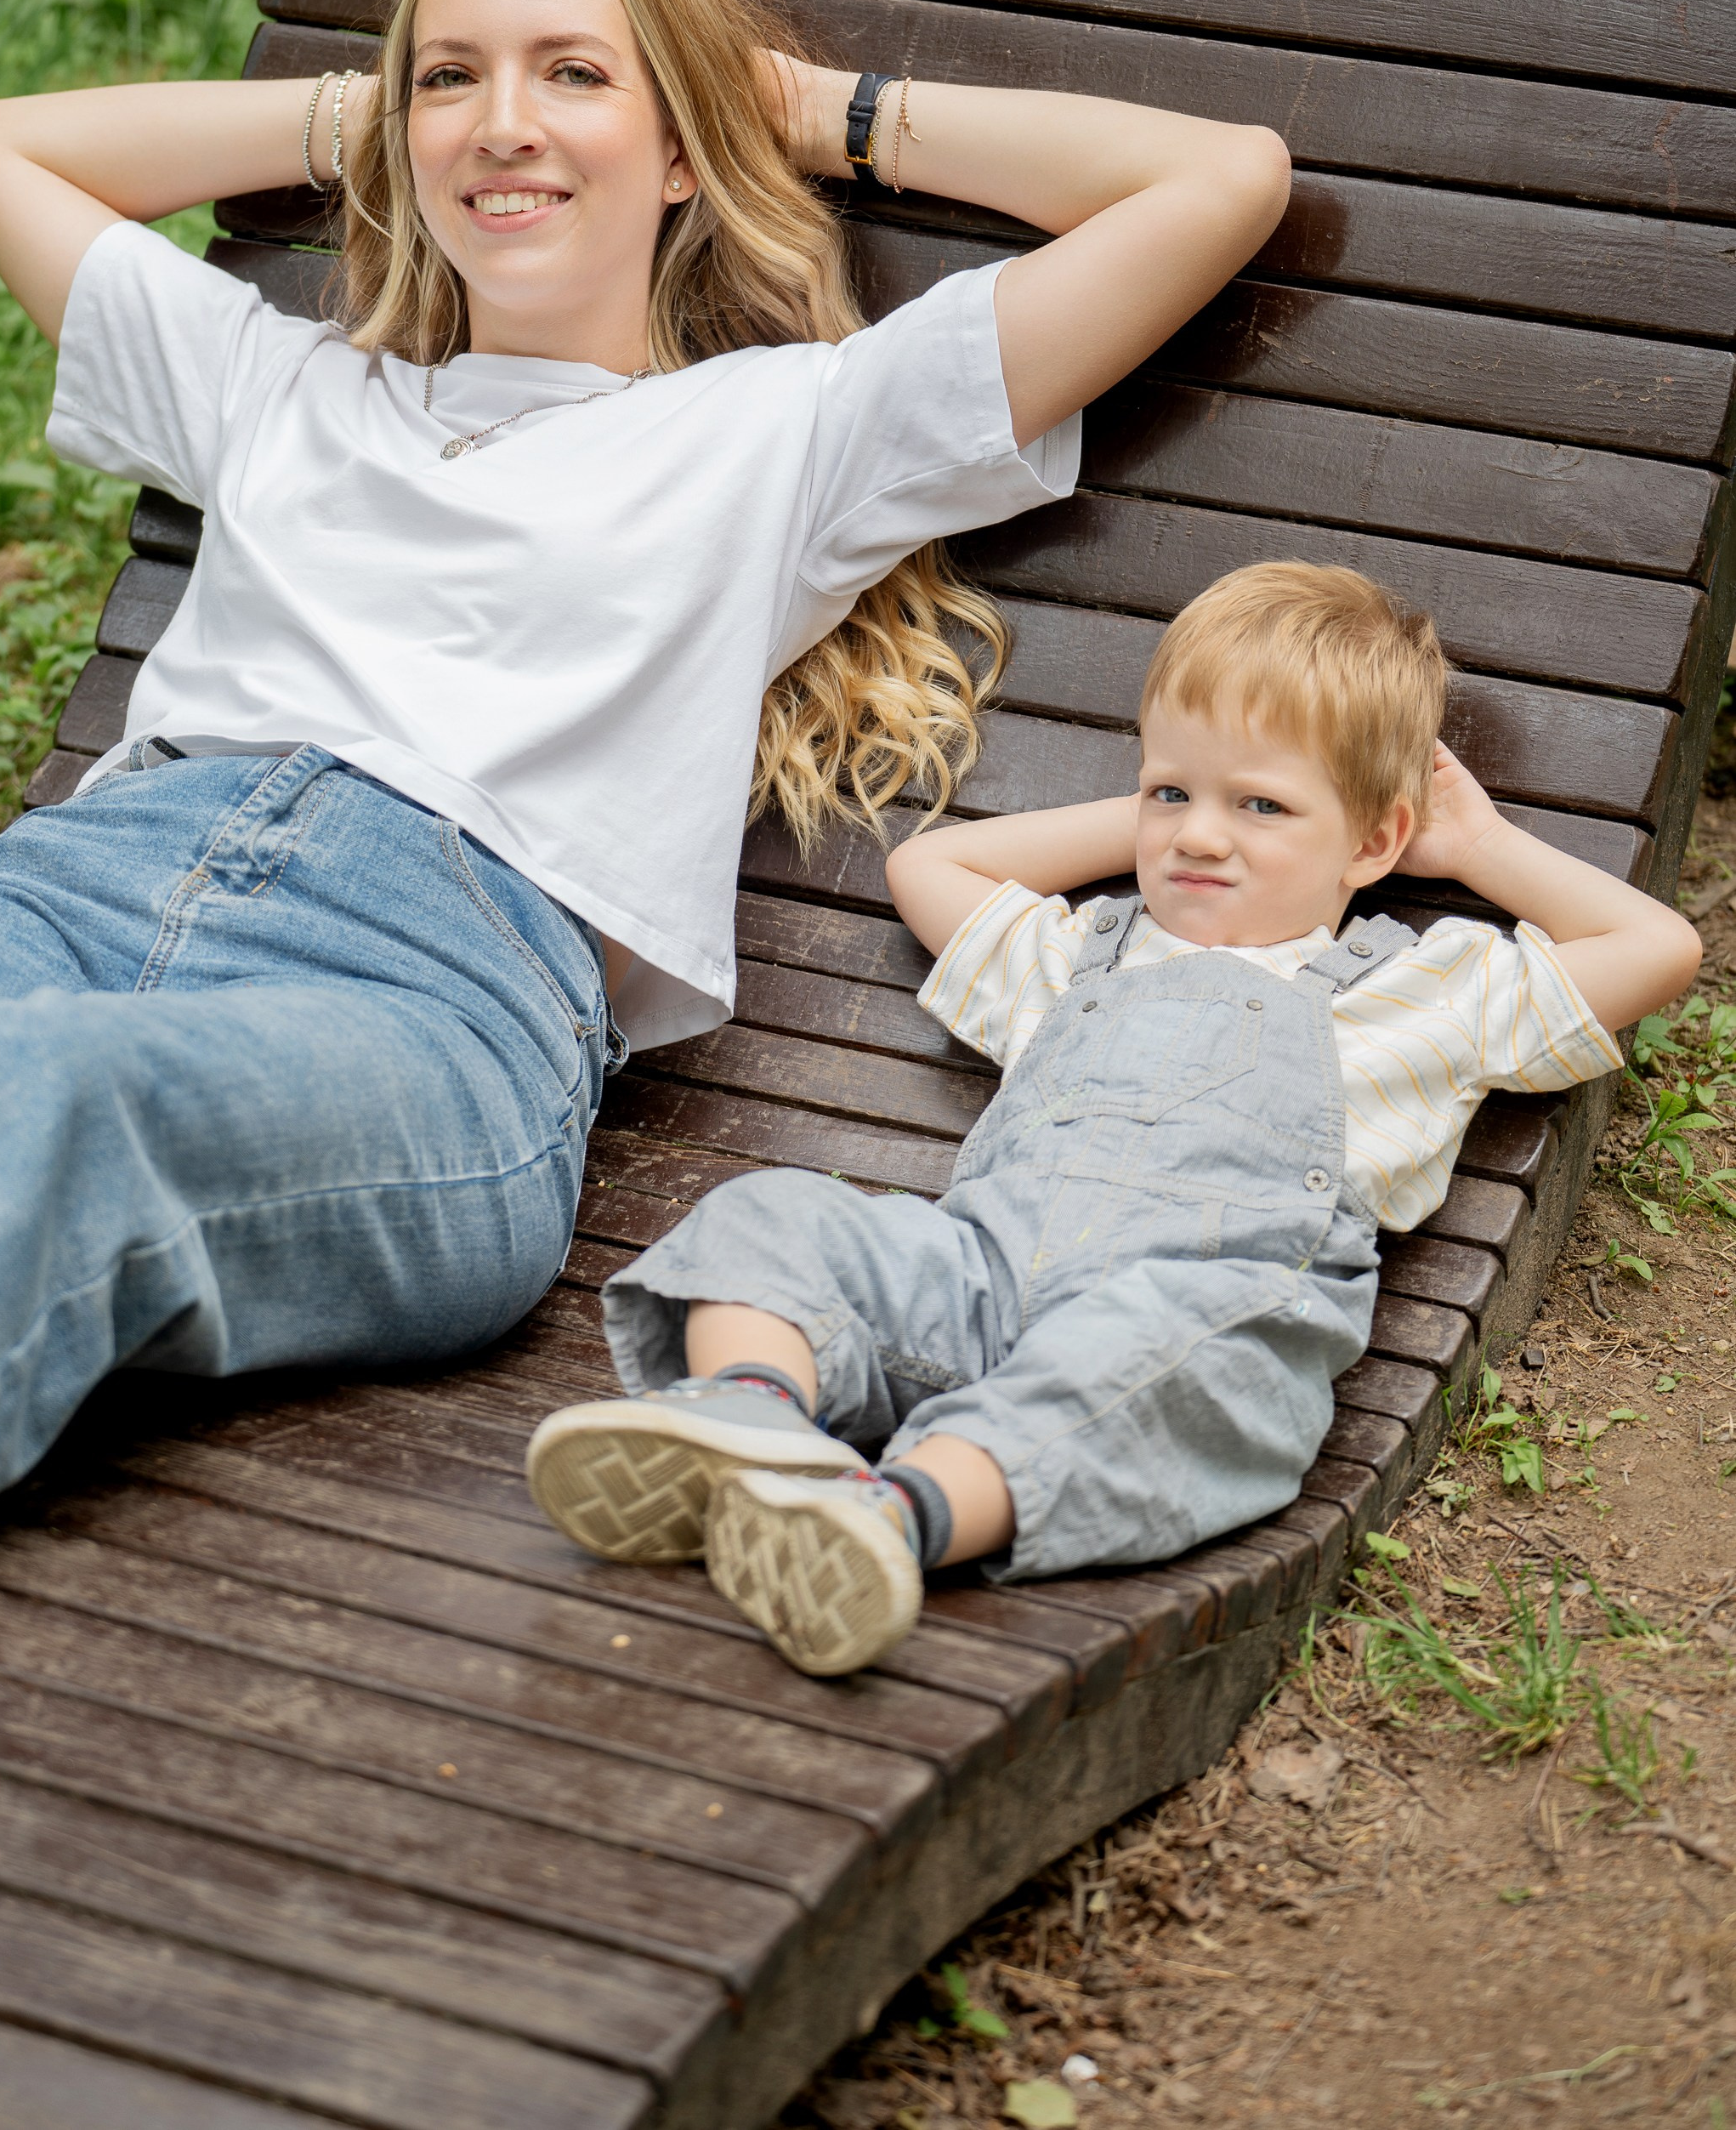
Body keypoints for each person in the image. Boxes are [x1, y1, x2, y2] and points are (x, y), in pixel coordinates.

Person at [0, 0, 1293, 1673]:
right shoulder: (280, 388)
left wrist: (797, 108)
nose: (503, 123)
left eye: (578, 74)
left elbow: (1218, 182)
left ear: (682, 154)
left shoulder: (782, 434)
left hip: (430, 1010)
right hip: (67, 895)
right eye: (451, 81)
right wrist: (377, 106)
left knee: (42, 1104)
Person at [527, 561, 1700, 1678]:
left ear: (1375, 839)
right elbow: (935, 867)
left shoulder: (1416, 998)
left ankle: (892, 1515)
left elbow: (1655, 949)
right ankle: (751, 1421)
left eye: (1261, 805)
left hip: (1196, 1305)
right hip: (979, 1277)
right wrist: (1163, 799)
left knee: (1139, 1365)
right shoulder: (1076, 957)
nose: (1198, 834)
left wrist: (1475, 846)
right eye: (1170, 795)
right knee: (773, 1216)